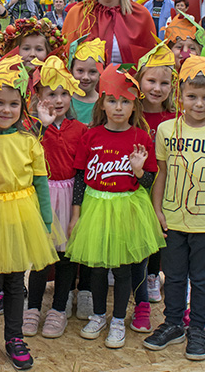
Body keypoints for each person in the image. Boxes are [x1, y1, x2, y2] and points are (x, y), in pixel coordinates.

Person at [0, 55, 59, 371]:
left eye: (13, 104)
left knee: (15, 285)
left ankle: (14, 338)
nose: (6, 110)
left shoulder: (29, 141)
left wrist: (46, 221)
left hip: (23, 217)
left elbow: (41, 183)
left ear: (22, 107)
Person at [66, 64, 165, 349]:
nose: (118, 107)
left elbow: (148, 180)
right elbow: (81, 178)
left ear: (135, 105)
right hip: (96, 207)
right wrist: (76, 215)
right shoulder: (91, 136)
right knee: (96, 269)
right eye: (112, 100)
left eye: (125, 101)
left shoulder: (141, 137)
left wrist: (137, 171)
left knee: (122, 269)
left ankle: (119, 319)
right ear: (103, 103)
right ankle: (98, 315)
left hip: (127, 208)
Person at [144, 56, 205, 360]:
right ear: (179, 96)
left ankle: (197, 328)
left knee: (202, 277)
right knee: (174, 274)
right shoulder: (167, 130)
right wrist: (158, 210)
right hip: (172, 217)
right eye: (192, 96)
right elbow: (162, 173)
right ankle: (173, 324)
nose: (198, 104)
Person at [24, 56, 87, 339]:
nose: (59, 100)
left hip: (70, 195)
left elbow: (82, 171)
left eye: (64, 93)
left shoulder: (81, 131)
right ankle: (32, 308)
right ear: (38, 96)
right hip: (43, 196)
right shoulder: (33, 129)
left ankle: (58, 309)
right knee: (41, 256)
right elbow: (27, 154)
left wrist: (77, 210)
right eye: (51, 94)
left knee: (65, 257)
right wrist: (42, 124)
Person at [132, 43, 179, 326]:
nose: (157, 88)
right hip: (136, 184)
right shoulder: (131, 114)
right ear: (139, 81)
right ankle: (134, 276)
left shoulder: (174, 119)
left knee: (160, 230)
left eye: (164, 83)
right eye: (151, 80)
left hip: (164, 183)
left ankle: (153, 274)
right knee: (138, 231)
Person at [69, 38, 104, 124]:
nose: (85, 77)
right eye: (80, 71)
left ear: (100, 73)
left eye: (92, 72)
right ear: (71, 70)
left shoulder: (103, 103)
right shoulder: (65, 100)